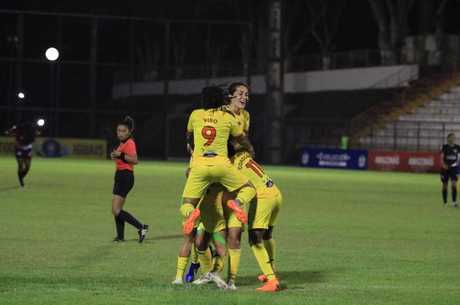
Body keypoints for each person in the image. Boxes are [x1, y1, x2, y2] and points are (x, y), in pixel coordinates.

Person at [173, 85, 257, 285]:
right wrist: (249, 151)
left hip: (199, 167)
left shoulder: (195, 114)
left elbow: (189, 140)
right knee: (249, 188)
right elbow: (242, 140)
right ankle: (237, 202)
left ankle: (191, 213)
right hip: (221, 165)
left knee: (187, 204)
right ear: (222, 99)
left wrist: (194, 154)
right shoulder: (227, 117)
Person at [231, 150, 282, 292]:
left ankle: (272, 280)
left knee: (254, 239)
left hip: (263, 198)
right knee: (267, 235)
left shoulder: (231, 166)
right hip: (275, 192)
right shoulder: (243, 154)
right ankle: (271, 269)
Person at [110, 116, 149, 242]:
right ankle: (120, 236)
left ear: (129, 132)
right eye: (118, 131)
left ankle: (141, 227)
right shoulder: (123, 143)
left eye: (123, 131)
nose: (120, 133)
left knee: (115, 210)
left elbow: (135, 160)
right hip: (120, 175)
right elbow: (122, 158)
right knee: (117, 210)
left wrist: (120, 155)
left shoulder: (130, 142)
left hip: (125, 176)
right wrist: (116, 156)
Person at [5, 122, 40, 187]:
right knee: (20, 165)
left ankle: (21, 177)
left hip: (28, 149)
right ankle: (21, 180)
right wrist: (10, 131)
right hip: (19, 149)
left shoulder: (32, 132)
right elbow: (9, 132)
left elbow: (36, 134)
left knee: (27, 166)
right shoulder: (19, 130)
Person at [440, 133, 460, 207]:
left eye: (454, 137)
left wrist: (457, 166)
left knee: (454, 184)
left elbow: (458, 158)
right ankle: (445, 202)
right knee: (445, 185)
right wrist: (443, 164)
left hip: (454, 168)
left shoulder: (458, 147)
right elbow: (441, 157)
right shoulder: (444, 147)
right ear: (448, 139)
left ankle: (454, 202)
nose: (452, 139)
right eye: (451, 137)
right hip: (445, 168)